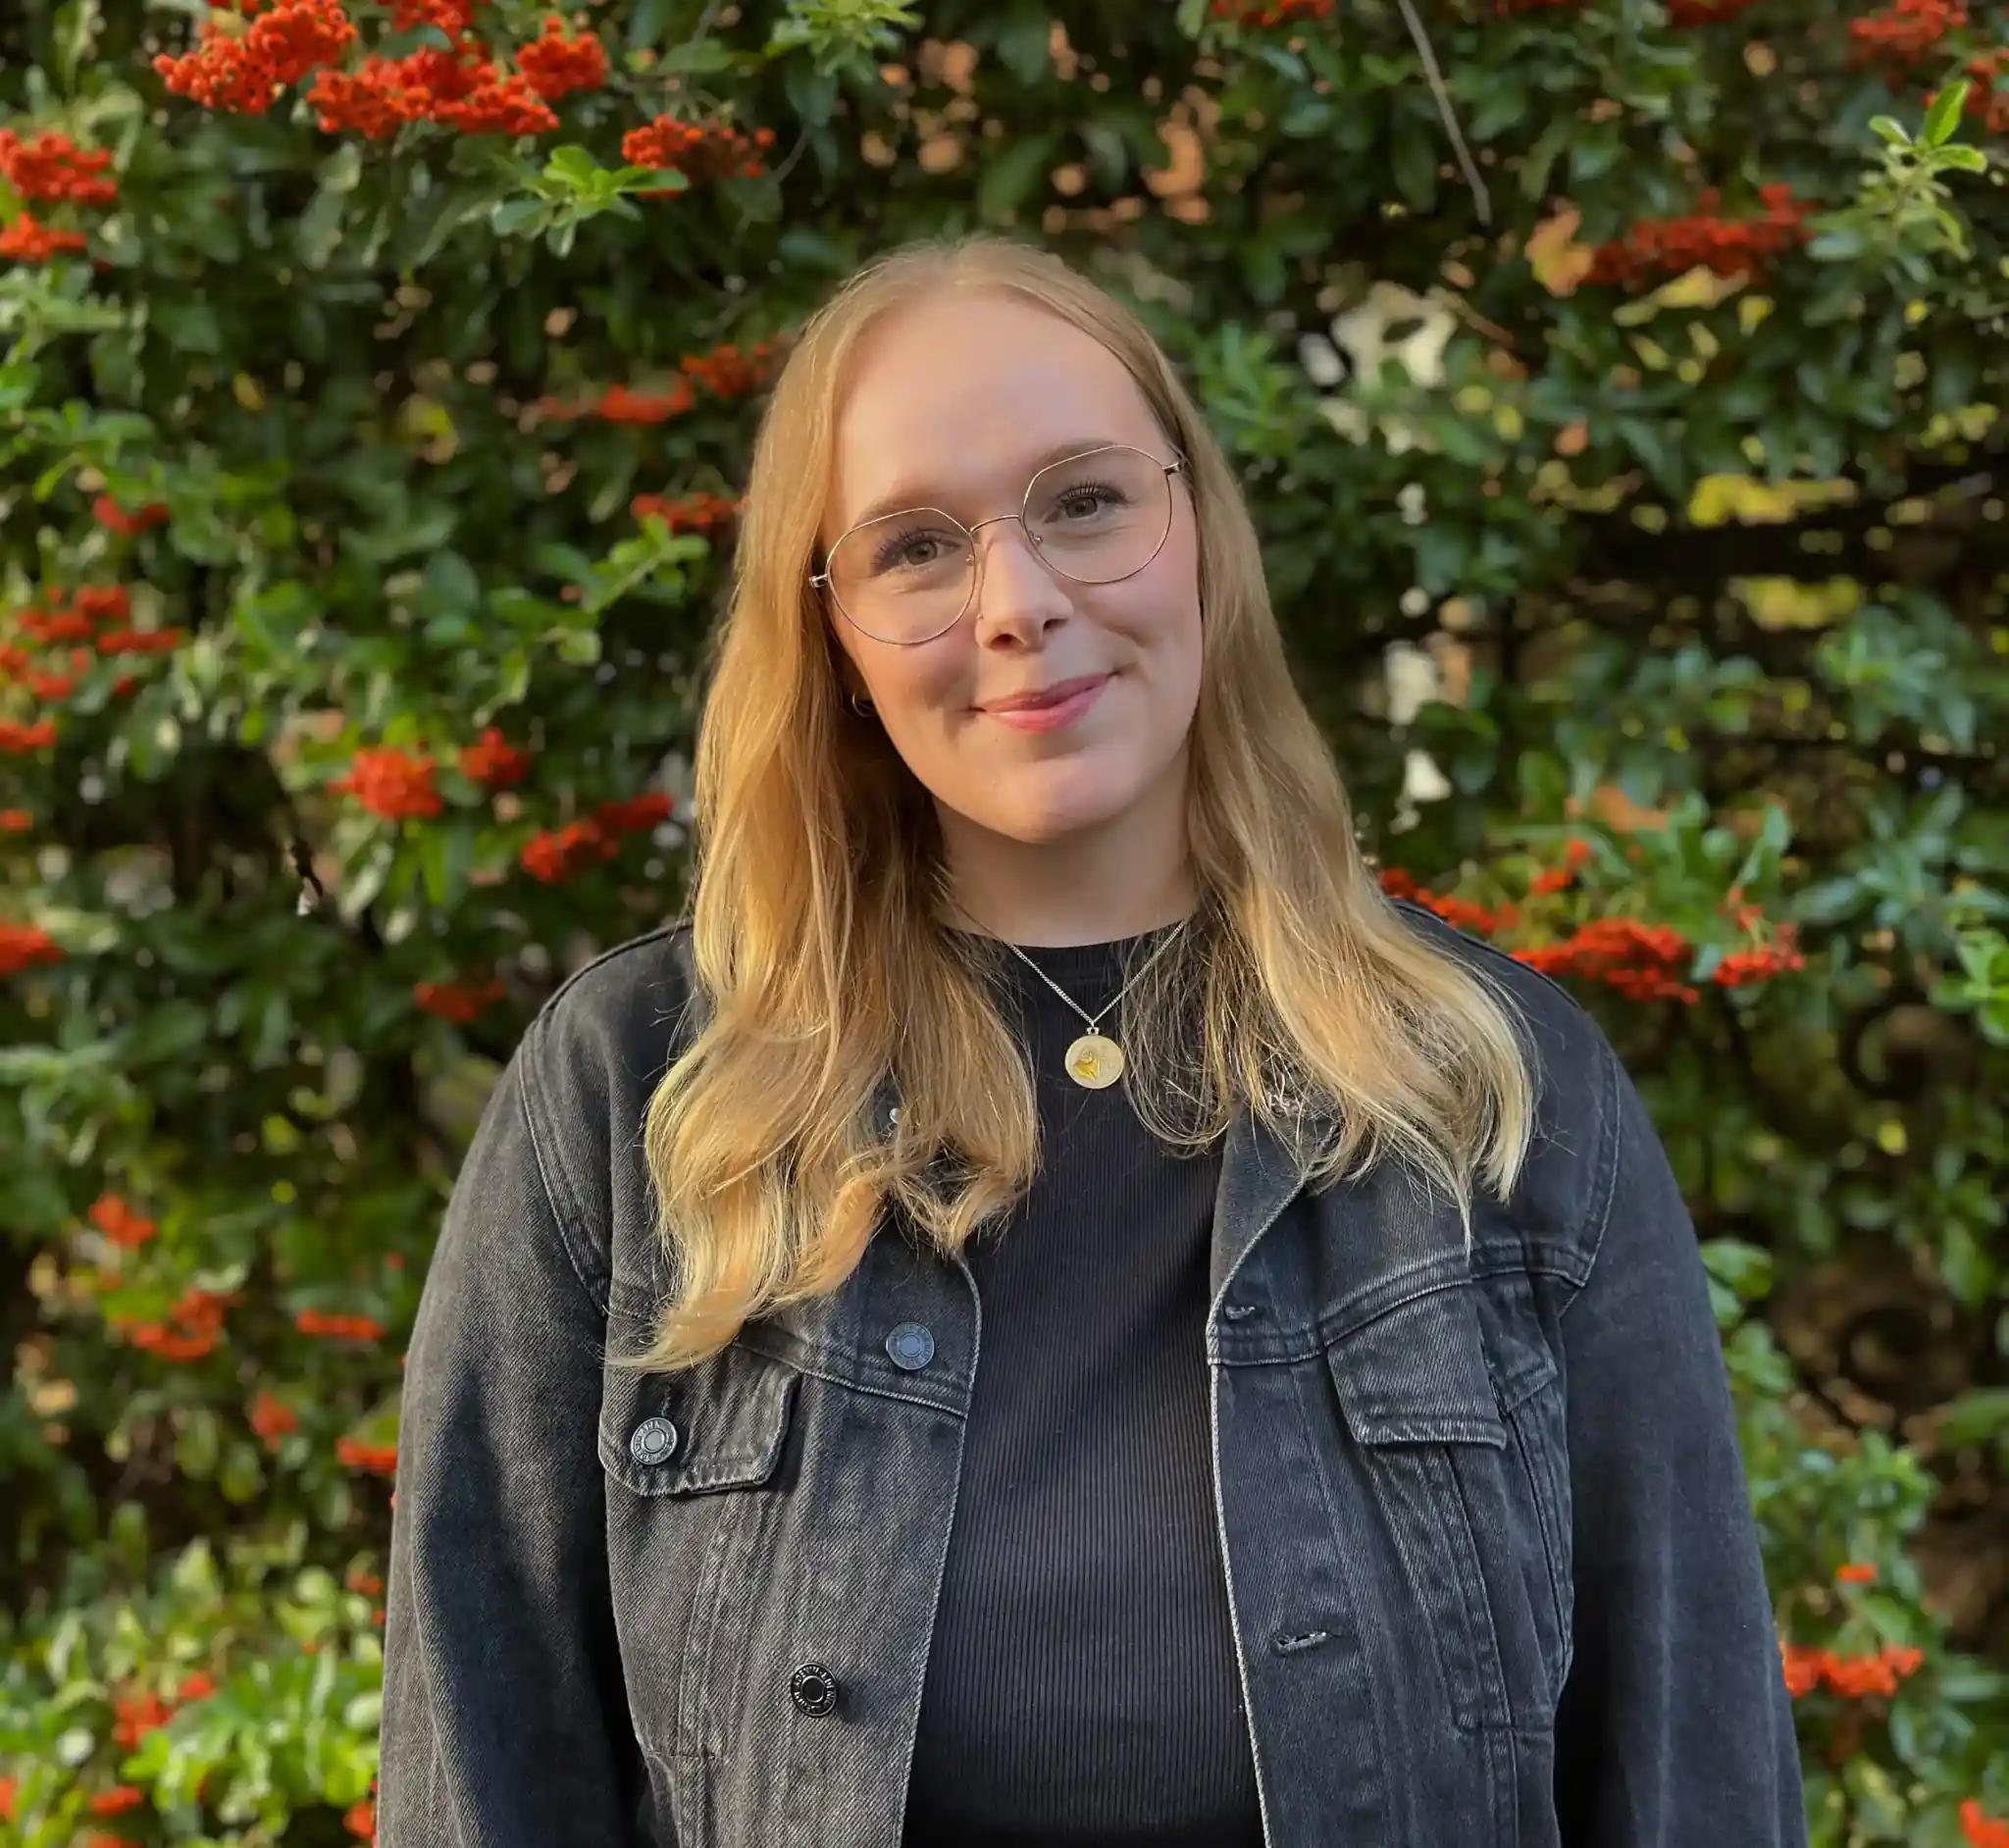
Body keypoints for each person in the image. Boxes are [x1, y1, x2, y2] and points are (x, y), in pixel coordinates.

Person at [377, 231, 1809, 1847]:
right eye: (917, 547)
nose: (1020, 604)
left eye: (1085, 503)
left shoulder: (1492, 1095)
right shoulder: (636, 1097)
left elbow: (1693, 1775)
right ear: (831, 635)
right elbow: (479, 1775)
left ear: (1199, 536)